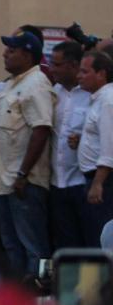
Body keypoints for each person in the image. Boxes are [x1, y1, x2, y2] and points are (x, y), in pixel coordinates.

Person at [0, 29, 53, 277]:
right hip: (5, 182)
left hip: (24, 183)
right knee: (11, 246)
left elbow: (41, 129)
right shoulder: (11, 85)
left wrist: (23, 173)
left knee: (32, 247)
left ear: (28, 55)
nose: (5, 54)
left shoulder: (36, 85)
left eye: (12, 50)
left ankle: (37, 299)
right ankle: (17, 301)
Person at [48, 41, 91, 249]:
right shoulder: (53, 94)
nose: (51, 69)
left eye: (56, 64)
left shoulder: (93, 96)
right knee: (67, 246)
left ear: (73, 66)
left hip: (83, 184)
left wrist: (83, 140)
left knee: (90, 242)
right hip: (57, 184)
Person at [74, 50, 113, 246]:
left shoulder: (107, 101)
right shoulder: (98, 99)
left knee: (101, 239)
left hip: (103, 182)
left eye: (84, 71)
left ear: (101, 73)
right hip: (94, 179)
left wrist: (98, 183)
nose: (78, 76)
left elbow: (110, 146)